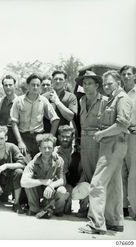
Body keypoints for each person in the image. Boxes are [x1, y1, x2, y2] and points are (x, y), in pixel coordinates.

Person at [79, 70, 132, 234]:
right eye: (106, 84)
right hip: (113, 145)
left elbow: (122, 125)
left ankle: (96, 223)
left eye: (110, 83)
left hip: (113, 146)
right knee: (114, 185)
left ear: (118, 83)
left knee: (97, 183)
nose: (107, 86)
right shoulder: (113, 99)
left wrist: (101, 134)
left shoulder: (122, 99)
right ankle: (115, 221)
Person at [75, 71, 107, 218]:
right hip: (84, 142)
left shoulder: (105, 101)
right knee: (86, 175)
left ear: (97, 85)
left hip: (98, 142)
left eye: (90, 84)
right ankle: (84, 208)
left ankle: (98, 213)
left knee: (98, 177)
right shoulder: (81, 101)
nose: (86, 87)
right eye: (84, 84)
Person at [11, 73, 60, 158]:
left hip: (39, 138)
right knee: (25, 163)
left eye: (38, 85)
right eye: (33, 85)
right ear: (27, 85)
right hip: (24, 137)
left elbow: (55, 119)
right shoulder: (18, 101)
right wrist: (20, 141)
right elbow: (14, 123)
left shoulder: (44, 100)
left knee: (41, 164)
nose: (35, 87)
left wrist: (50, 138)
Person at [21, 134, 69, 218]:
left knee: (62, 190)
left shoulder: (59, 160)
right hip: (39, 189)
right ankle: (34, 209)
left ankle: (56, 210)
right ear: (40, 149)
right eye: (44, 148)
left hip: (51, 189)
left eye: (50, 148)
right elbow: (23, 182)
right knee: (29, 184)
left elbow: (62, 180)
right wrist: (43, 181)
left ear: (53, 148)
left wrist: (51, 185)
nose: (47, 150)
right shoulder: (34, 162)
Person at [0, 126, 25, 212]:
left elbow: (22, 164)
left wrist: (6, 165)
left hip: (9, 180)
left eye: (1, 138)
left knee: (19, 172)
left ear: (6, 138)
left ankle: (16, 203)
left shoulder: (12, 147)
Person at [120, 65, 136, 219]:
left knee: (133, 174)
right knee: (120, 171)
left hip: (133, 137)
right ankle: (123, 206)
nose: (126, 76)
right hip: (118, 136)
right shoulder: (118, 93)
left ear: (134, 76)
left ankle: (134, 208)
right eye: (123, 74)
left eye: (129, 74)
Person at [55, 125, 80, 214]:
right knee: (64, 211)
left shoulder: (78, 152)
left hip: (76, 182)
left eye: (67, 137)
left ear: (72, 137)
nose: (65, 139)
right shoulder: (54, 152)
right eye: (62, 136)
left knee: (86, 187)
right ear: (58, 137)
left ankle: (83, 211)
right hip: (60, 184)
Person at [0, 75, 19, 144]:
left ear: (15, 86)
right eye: (6, 85)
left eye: (10, 85)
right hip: (2, 139)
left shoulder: (20, 103)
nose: (8, 87)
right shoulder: (0, 103)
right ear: (3, 87)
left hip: (16, 138)